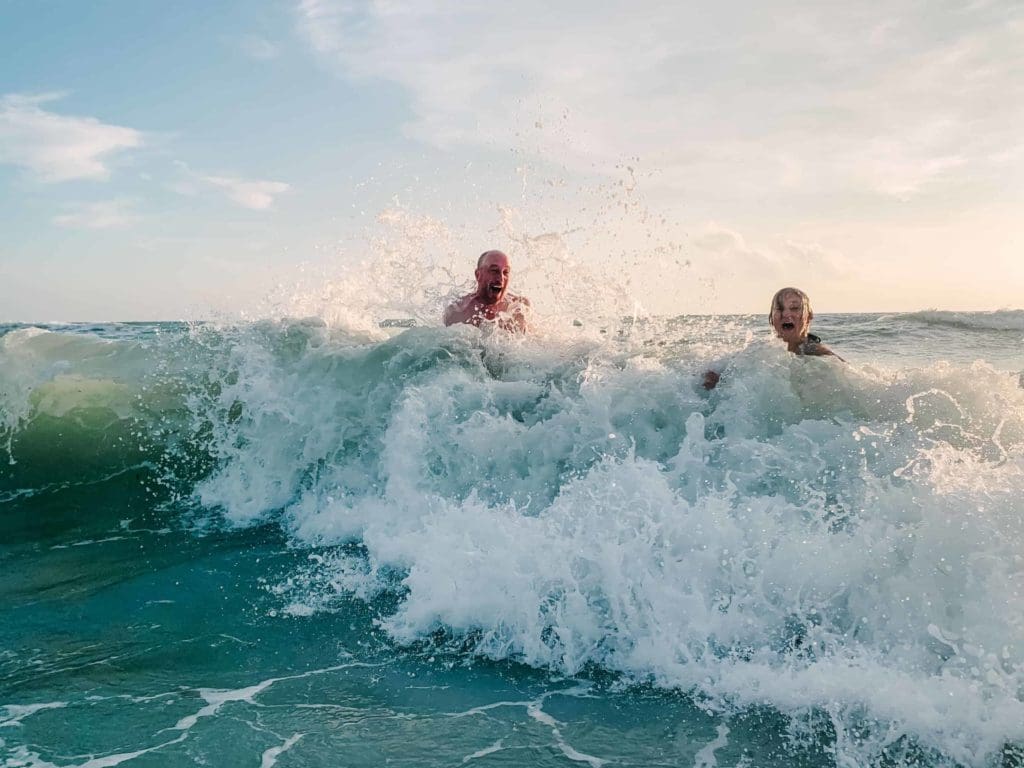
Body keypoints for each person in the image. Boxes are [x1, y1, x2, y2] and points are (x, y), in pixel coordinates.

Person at [703, 286, 842, 389]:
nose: (786, 314)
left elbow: (852, 381)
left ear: (809, 316)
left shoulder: (818, 353)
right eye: (779, 309)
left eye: (794, 308)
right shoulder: (761, 350)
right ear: (771, 319)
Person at [443, 250, 531, 333]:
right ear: (478, 275)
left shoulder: (519, 307)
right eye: (494, 270)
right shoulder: (457, 312)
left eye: (505, 272)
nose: (500, 278)